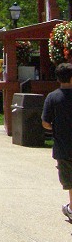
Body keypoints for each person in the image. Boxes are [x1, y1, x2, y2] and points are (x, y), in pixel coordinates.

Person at [42, 63, 72, 222]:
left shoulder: (52, 97)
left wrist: (56, 128)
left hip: (63, 146)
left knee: (69, 180)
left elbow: (45, 123)